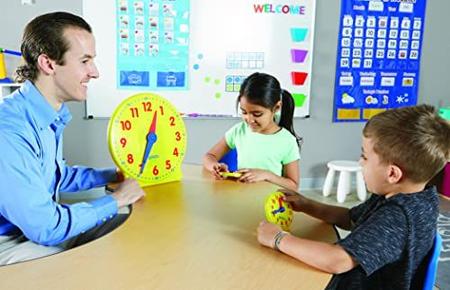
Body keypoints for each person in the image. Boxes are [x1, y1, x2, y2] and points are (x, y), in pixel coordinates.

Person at [0, 12, 145, 265]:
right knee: (91, 265)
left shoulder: (45, 115)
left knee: (130, 235)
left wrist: (112, 174)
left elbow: (55, 176)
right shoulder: (9, 130)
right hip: (10, 241)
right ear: (48, 64)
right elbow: (45, 227)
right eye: (85, 61)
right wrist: (117, 198)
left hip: (32, 232)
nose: (95, 72)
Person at [257, 104, 450, 289]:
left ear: (392, 174)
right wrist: (307, 205)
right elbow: (350, 218)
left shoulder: (398, 218)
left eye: (364, 156)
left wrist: (278, 239)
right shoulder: (411, 195)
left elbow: (338, 260)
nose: (360, 162)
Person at [203, 72, 301, 191]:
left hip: (270, 204)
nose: (249, 119)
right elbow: (209, 156)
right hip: (241, 197)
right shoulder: (239, 130)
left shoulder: (287, 141)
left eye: (257, 114)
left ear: (276, 108)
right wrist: (215, 166)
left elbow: (293, 185)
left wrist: (267, 175)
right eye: (244, 112)